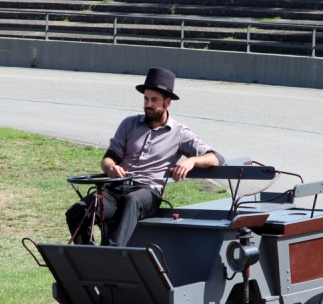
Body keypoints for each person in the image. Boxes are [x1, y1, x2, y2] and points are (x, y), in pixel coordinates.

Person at [66, 67, 224, 247]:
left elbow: (216, 157)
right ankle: (87, 258)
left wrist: (192, 160)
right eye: (146, 99)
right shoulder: (129, 124)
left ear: (168, 102)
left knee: (132, 200)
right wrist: (111, 168)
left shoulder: (179, 133)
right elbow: (108, 158)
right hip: (117, 189)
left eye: (154, 100)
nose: (148, 104)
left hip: (148, 193)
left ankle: (111, 253)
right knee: (77, 212)